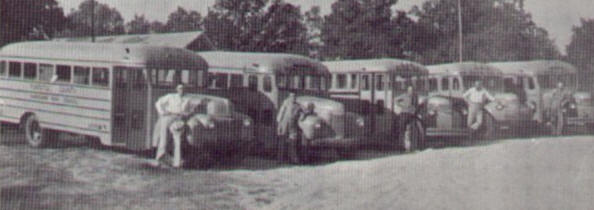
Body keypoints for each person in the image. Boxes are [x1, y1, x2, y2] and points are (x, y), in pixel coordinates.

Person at [152, 84, 191, 168]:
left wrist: (186, 114)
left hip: (179, 119)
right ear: (177, 89)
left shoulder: (187, 100)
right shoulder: (170, 96)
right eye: (180, 88)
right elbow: (158, 103)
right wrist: (162, 112)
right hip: (168, 117)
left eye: (183, 89)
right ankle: (159, 159)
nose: (182, 90)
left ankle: (177, 163)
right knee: (164, 138)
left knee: (178, 140)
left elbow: (189, 111)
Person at [276, 93, 303, 164]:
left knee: (293, 142)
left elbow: (302, 113)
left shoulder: (298, 106)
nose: (293, 98)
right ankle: (280, 159)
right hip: (284, 124)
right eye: (291, 97)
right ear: (289, 97)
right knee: (282, 142)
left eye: (294, 97)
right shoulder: (286, 104)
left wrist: (302, 117)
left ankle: (293, 159)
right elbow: (281, 113)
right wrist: (279, 125)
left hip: (293, 125)